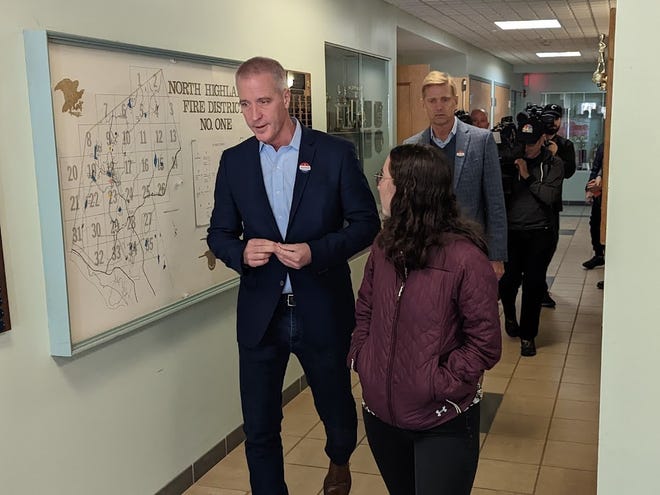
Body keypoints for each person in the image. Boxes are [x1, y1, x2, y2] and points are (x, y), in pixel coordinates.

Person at [207, 56, 381, 495]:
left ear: (287, 98)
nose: (254, 115)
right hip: (261, 314)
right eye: (244, 104)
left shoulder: (334, 154)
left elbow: (366, 224)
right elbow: (219, 234)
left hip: (321, 308)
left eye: (263, 101)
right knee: (260, 427)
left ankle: (339, 459)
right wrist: (241, 252)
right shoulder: (235, 162)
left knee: (338, 411)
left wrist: (315, 253)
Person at [348, 144, 501, 495]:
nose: (379, 185)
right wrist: (363, 358)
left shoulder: (465, 258)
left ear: (407, 189)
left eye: (383, 177)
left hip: (441, 420)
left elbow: (485, 345)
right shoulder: (384, 247)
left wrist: (438, 383)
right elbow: (366, 309)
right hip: (381, 416)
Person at [404, 71, 507, 279]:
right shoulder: (412, 146)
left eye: (444, 99)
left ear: (455, 101)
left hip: (470, 247)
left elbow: (495, 202)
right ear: (423, 104)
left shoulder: (481, 141)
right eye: (432, 100)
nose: (439, 106)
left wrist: (496, 255)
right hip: (425, 251)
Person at [498, 113, 564, 356]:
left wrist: (526, 176)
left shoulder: (554, 164)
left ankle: (528, 335)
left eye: (533, 143)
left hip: (540, 233)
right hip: (512, 232)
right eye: (524, 142)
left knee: (534, 285)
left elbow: (549, 196)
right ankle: (510, 316)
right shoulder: (509, 161)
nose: (528, 148)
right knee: (508, 282)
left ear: (543, 140)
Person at [540, 103, 576, 308]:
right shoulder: (532, 140)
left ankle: (540, 285)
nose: (552, 123)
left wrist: (555, 156)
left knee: (549, 246)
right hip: (528, 203)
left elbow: (569, 172)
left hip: (552, 204)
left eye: (556, 118)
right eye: (548, 118)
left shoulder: (565, 145)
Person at [583, 143, 605, 270]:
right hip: (599, 193)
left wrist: (601, 176)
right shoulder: (603, 146)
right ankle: (598, 254)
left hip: (613, 193)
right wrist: (589, 188)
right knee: (595, 224)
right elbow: (595, 168)